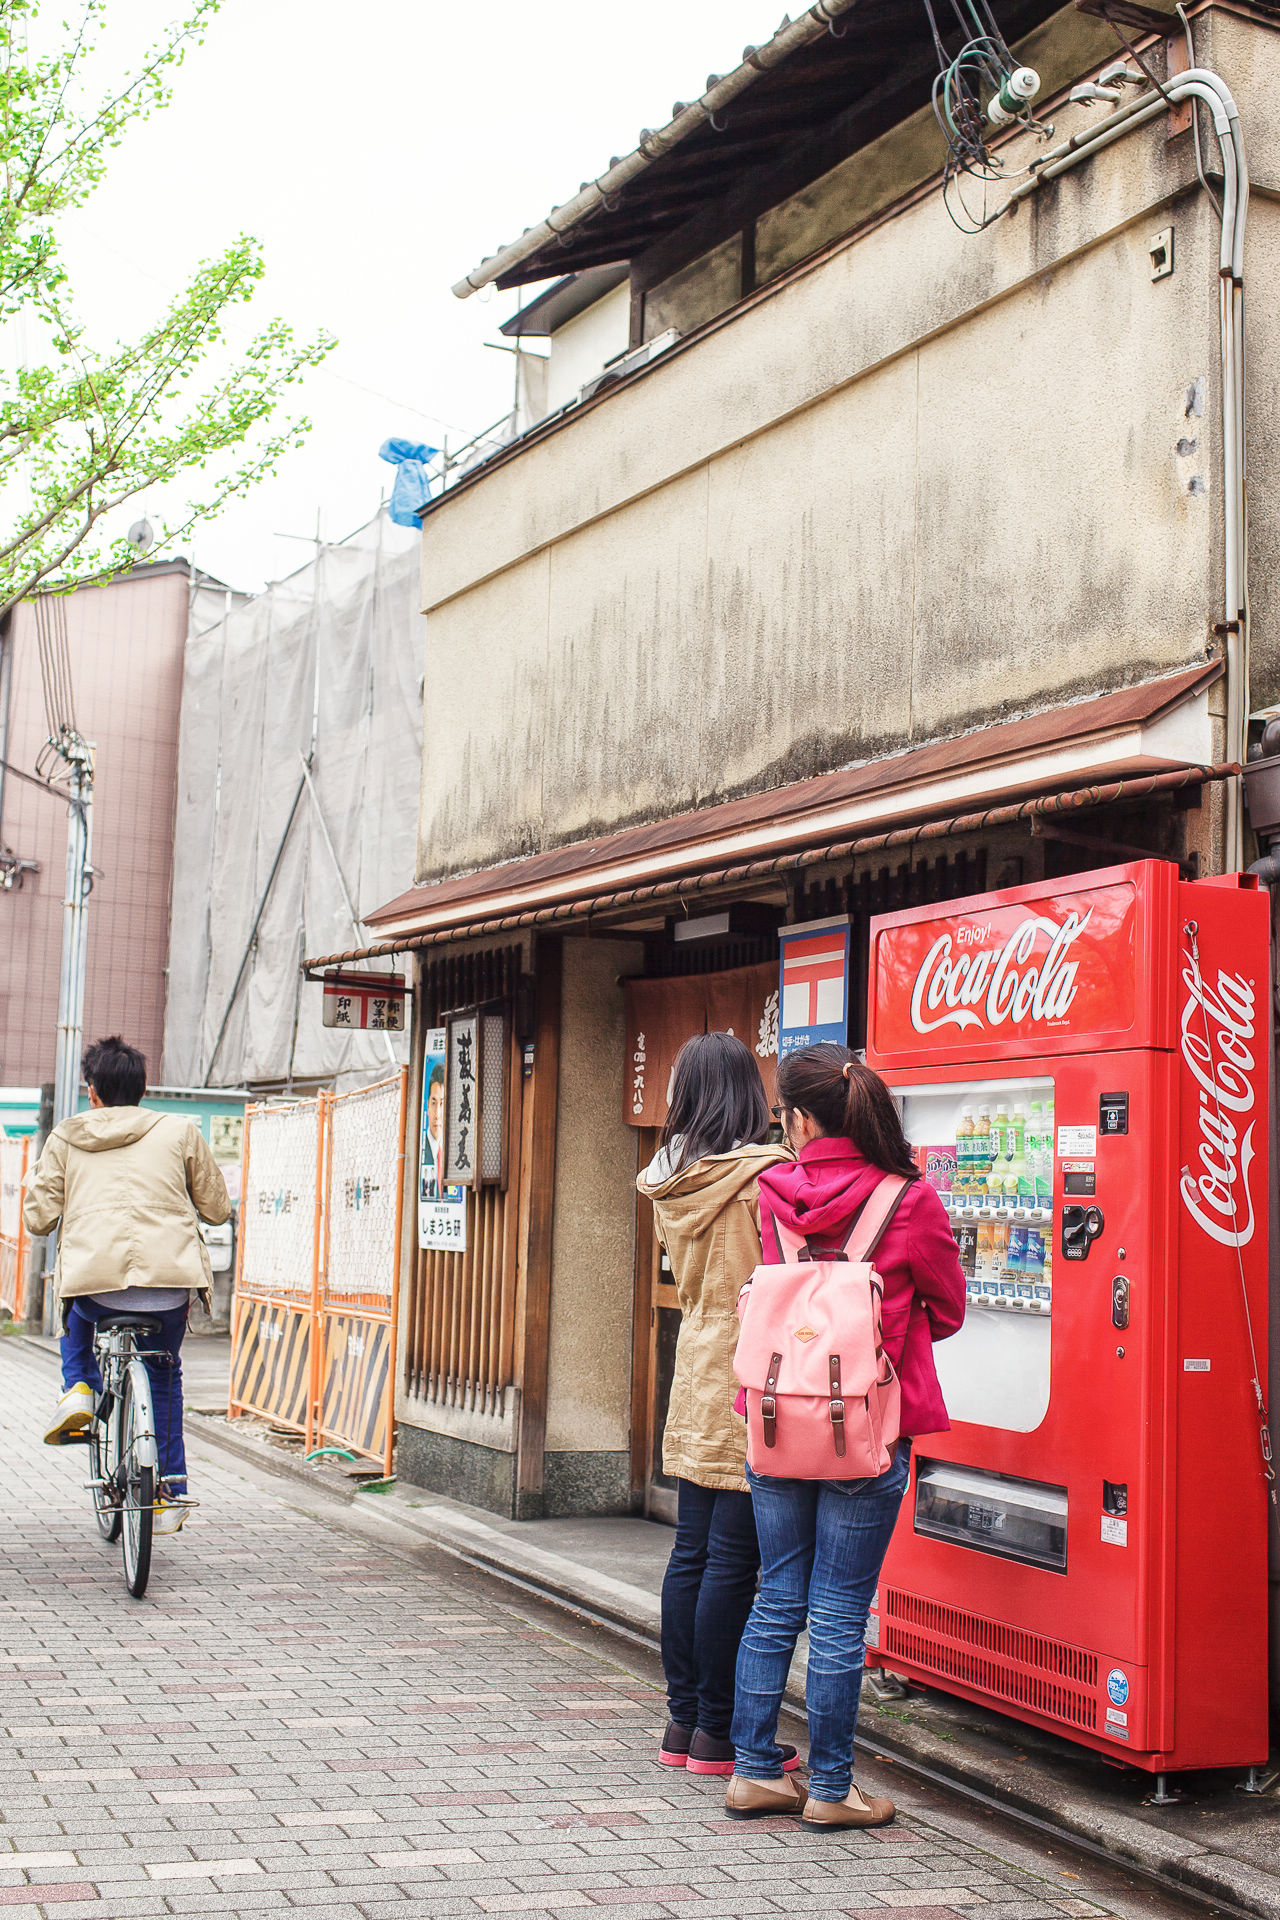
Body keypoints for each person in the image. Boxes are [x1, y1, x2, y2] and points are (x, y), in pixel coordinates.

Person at [726, 1042, 965, 1828]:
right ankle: (830, 1789)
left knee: (776, 1599)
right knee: (837, 1611)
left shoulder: (773, 1193)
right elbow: (952, 1308)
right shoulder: (909, 1198)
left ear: (797, 1117)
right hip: (866, 1428)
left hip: (774, 1419)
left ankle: (756, 1773)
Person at [637, 1032, 795, 1778]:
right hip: (754, 1374)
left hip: (696, 1366)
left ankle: (682, 1724)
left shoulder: (673, 1180)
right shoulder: (769, 1179)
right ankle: (719, 1733)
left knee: (691, 1553)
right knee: (735, 1559)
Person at [24, 1036, 231, 1534]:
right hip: (167, 1290)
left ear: (91, 1091)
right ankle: (173, 1491)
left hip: (97, 1293)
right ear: (142, 1089)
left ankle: (77, 1386)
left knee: (75, 1306)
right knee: (164, 1376)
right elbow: (218, 1209)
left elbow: (37, 1218)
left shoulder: (66, 1137)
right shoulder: (179, 1131)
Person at [420, 1061, 445, 1201]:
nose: (438, 1113)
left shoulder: (454, 1152)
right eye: (434, 1103)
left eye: (442, 1103)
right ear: (427, 1105)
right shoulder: (422, 1149)